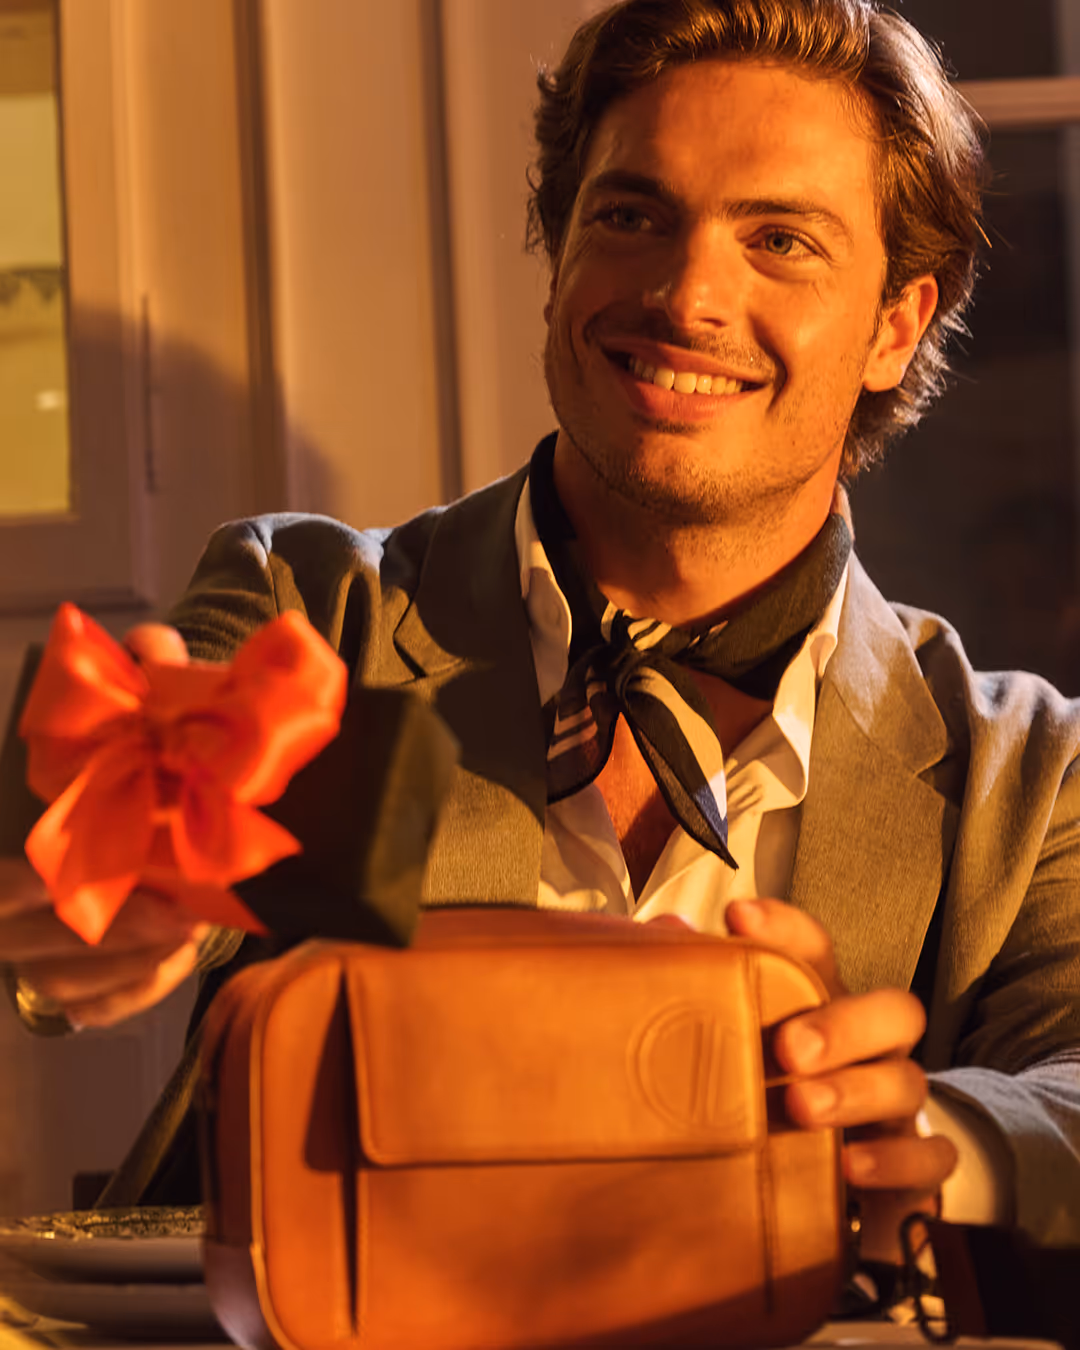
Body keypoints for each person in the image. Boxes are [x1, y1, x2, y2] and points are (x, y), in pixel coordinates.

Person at [3, 0, 1079, 1285]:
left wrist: (929, 1127)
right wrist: (83, 904)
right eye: (630, 215)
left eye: (781, 240)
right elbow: (84, 849)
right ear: (558, 249)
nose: (686, 296)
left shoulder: (1029, 771)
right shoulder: (306, 607)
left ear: (896, 325)